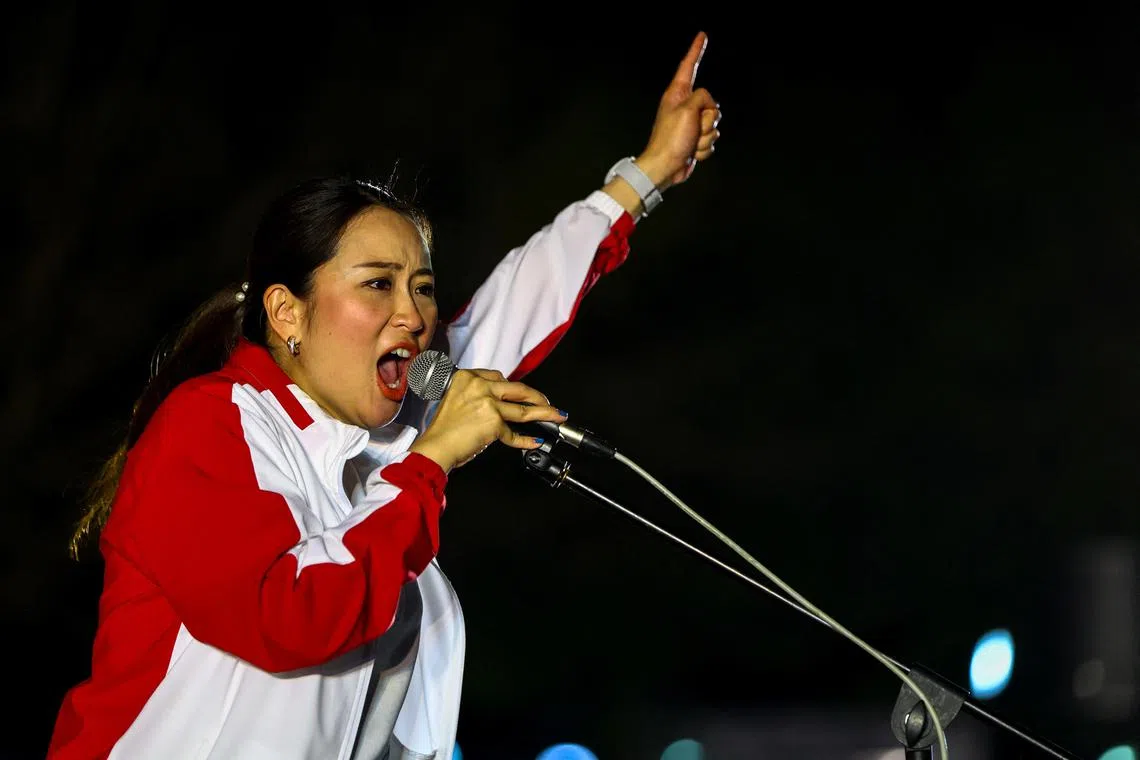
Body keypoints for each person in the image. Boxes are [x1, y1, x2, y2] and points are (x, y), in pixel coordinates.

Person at [47, 32, 721, 760]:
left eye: (422, 288)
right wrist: (429, 463)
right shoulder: (211, 423)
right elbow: (292, 616)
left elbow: (519, 300)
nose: (415, 314)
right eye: (378, 285)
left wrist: (647, 173)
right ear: (287, 313)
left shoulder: (389, 431)